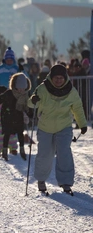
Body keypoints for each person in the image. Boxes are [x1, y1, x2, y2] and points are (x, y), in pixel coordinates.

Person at [28, 64, 87, 194]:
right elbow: (30, 103)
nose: (58, 80)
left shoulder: (71, 91)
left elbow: (77, 107)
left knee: (64, 154)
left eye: (61, 77)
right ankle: (41, 180)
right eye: (56, 77)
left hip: (64, 127)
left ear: (65, 77)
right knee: (45, 155)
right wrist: (34, 100)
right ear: (51, 77)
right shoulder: (43, 88)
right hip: (45, 127)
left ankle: (65, 182)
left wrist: (82, 124)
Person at [0, 73, 31, 161]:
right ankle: (4, 150)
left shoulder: (25, 96)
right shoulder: (9, 93)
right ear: (15, 85)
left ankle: (22, 148)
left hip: (18, 116)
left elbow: (28, 106)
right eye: (19, 87)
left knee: (20, 132)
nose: (21, 89)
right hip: (7, 116)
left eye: (23, 87)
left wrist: (31, 114)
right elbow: (0, 99)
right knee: (6, 134)